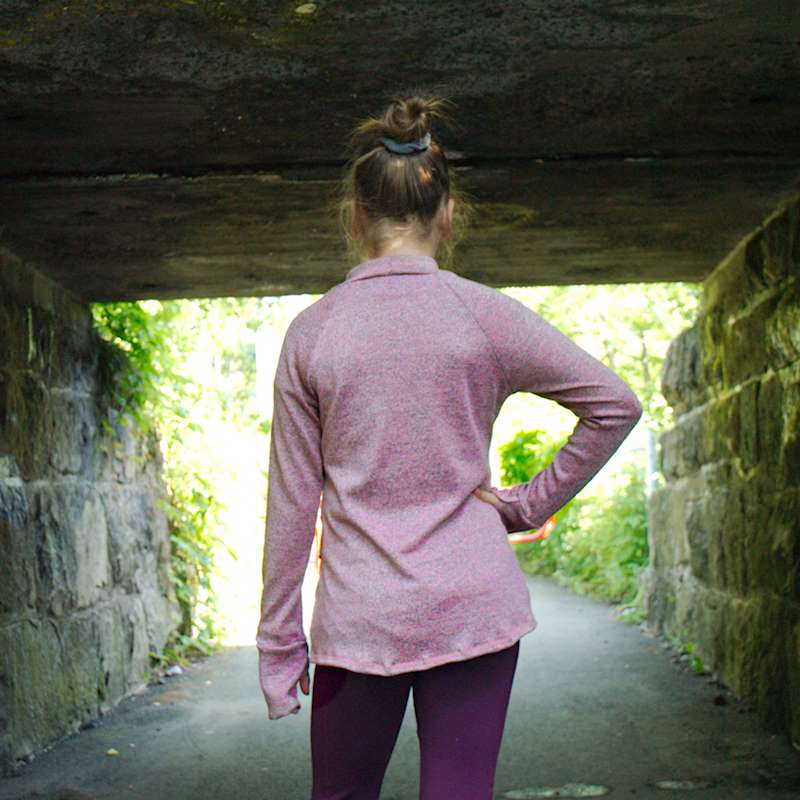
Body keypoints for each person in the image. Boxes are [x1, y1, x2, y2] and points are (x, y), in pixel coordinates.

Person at [256, 94, 643, 800]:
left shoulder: (313, 334)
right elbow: (615, 405)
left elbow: (292, 501)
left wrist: (279, 644)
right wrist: (526, 505)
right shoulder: (483, 315)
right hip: (473, 604)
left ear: (354, 216)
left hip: (359, 617)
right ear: (448, 217)